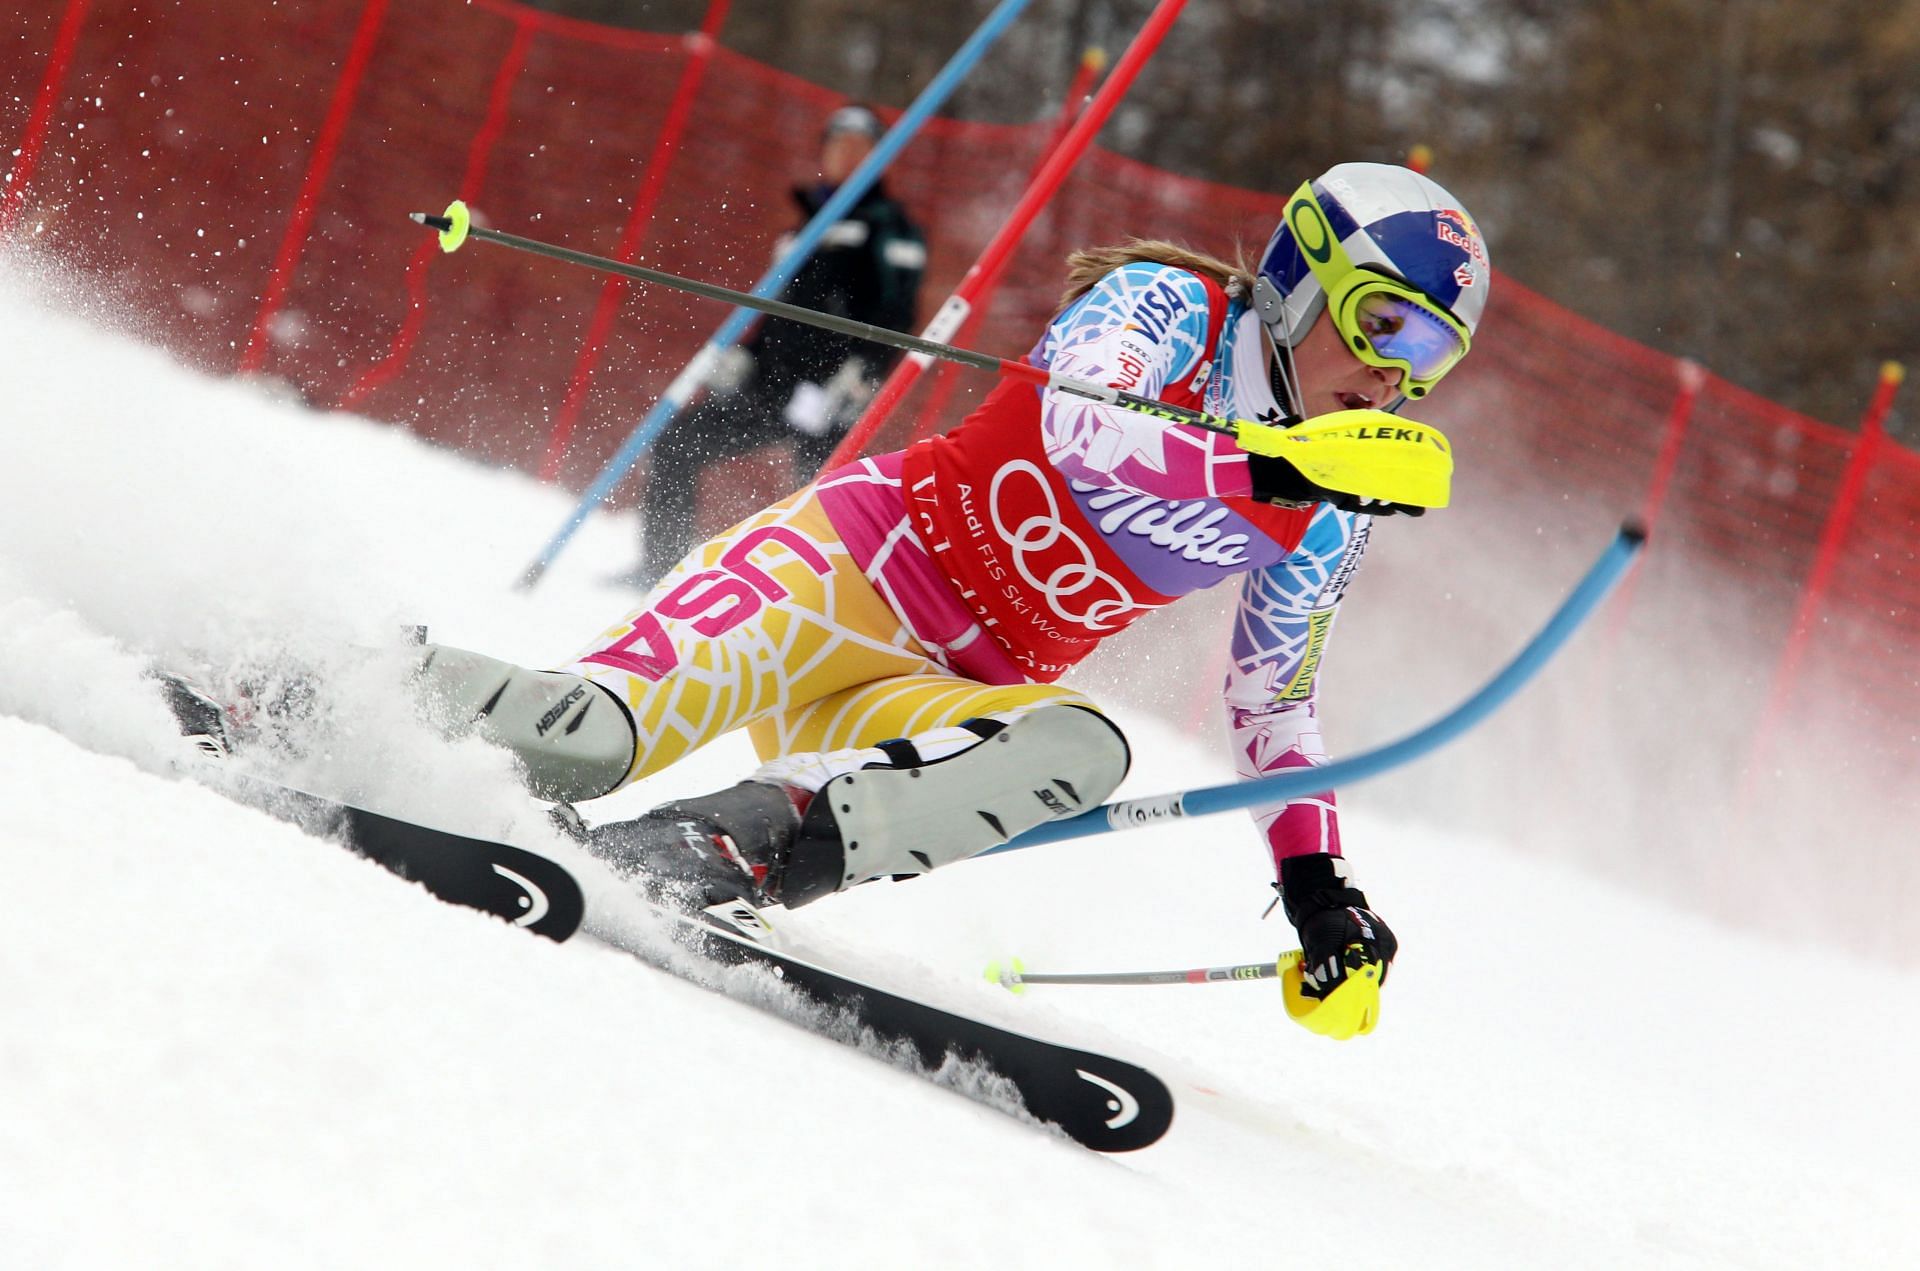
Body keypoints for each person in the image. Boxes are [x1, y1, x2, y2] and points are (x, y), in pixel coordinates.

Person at [394, 163, 1490, 1041]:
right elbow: (1081, 428)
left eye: (1434, 355)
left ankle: (730, 845)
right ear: (1303, 281)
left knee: (1083, 743)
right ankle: (339, 682)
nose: (1398, 377)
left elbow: (1273, 700)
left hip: (931, 695)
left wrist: (1317, 889)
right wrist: (1269, 468)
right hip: (839, 576)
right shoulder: (1170, 310)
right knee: (582, 740)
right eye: (1388, 325)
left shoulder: (1334, 504)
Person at [627, 103, 928, 589]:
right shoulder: (801, 228)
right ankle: (659, 572)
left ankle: (812, 598)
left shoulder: (889, 228)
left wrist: (862, 373)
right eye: (838, 145)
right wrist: (746, 355)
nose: (848, 157)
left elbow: (897, 314)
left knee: (819, 500)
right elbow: (777, 313)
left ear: (881, 158)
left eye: (861, 148)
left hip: (831, 394)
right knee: (678, 440)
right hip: (774, 386)